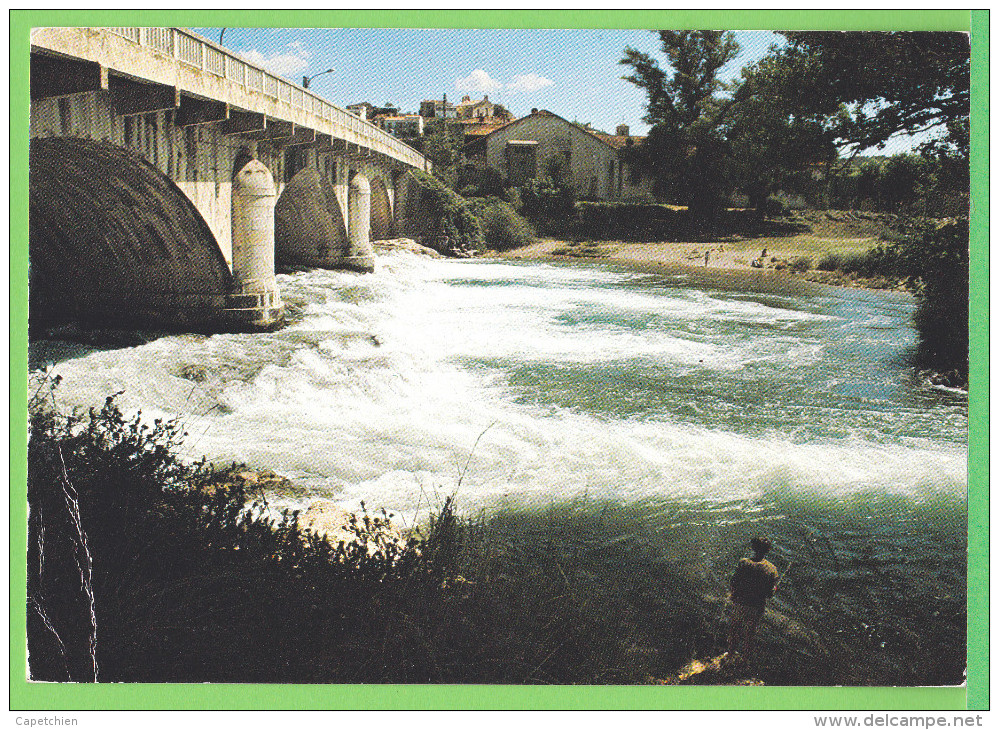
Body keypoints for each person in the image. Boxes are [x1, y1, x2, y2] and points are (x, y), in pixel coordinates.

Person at [726, 536, 780, 658]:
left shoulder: (744, 563)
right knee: (749, 635)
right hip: (757, 607)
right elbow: (770, 594)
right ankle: (745, 661)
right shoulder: (772, 569)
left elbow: (734, 581)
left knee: (734, 631)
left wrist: (734, 594)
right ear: (767, 550)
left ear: (753, 547)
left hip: (740, 603)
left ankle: (730, 655)